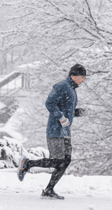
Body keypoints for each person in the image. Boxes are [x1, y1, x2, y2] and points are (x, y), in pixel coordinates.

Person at [17, 64, 87, 200]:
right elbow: (49, 103)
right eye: (82, 77)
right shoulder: (62, 86)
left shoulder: (72, 89)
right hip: (56, 130)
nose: (83, 80)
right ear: (75, 75)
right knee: (57, 161)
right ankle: (28, 164)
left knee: (65, 161)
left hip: (65, 132)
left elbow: (66, 110)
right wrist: (60, 117)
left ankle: (49, 189)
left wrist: (77, 112)